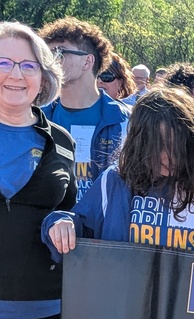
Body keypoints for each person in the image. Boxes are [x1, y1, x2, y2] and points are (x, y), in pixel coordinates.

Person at [43, 88, 194, 279]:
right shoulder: (115, 181)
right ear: (139, 145)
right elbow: (82, 226)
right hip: (127, 308)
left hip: (191, 312)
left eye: (177, 147)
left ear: (193, 145)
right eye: (158, 147)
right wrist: (61, 223)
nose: (167, 157)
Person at [0, 21, 76, 319]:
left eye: (28, 65)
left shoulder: (61, 142)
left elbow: (73, 210)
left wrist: (67, 221)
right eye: (3, 62)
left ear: (44, 76)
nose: (16, 74)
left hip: (41, 313)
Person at [39, 17, 130, 202]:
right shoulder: (38, 119)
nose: (50, 62)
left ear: (87, 62)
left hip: (103, 219)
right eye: (47, 54)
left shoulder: (126, 121)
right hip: (51, 219)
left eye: (59, 52)